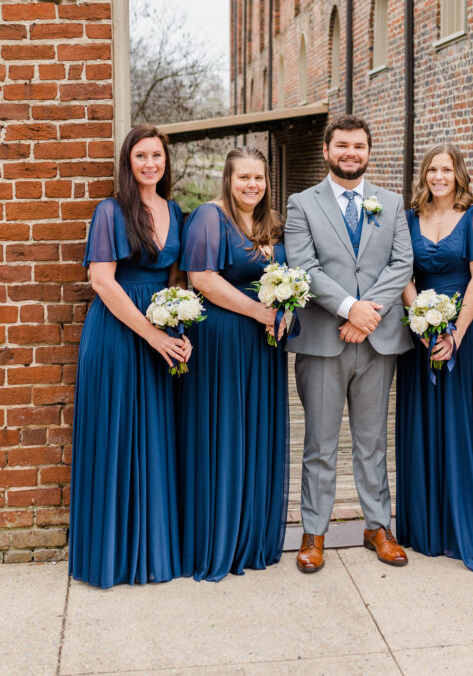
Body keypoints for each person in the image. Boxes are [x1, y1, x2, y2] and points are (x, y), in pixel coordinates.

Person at [285, 115, 414, 573]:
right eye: (342, 145)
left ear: (368, 151)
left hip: (377, 340)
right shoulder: (302, 204)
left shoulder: (391, 203)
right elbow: (304, 266)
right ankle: (313, 532)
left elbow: (402, 263)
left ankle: (377, 526)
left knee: (372, 441)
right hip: (324, 339)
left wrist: (368, 312)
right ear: (327, 150)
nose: (351, 153)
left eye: (359, 146)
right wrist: (346, 308)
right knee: (319, 443)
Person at [69, 125, 192, 588]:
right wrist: (152, 336)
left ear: (165, 161)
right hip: (119, 335)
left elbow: (177, 282)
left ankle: (154, 552)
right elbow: (102, 280)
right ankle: (111, 557)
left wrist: (179, 328)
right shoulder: (111, 211)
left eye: (156, 156)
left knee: (156, 437)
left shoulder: (175, 211)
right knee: (118, 436)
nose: (149, 164)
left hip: (160, 329)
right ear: (128, 161)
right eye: (140, 156)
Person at [178, 146, 289, 580]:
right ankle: (218, 539)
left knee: (255, 431)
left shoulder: (270, 222)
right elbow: (202, 279)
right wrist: (260, 311)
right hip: (223, 340)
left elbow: (288, 277)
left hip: (264, 346)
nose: (251, 185)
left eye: (258, 178)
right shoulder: (209, 217)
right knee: (224, 432)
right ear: (228, 178)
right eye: (243, 177)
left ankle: (251, 536)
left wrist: (288, 309)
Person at [396, 144, 473, 570]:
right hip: (422, 332)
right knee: (425, 421)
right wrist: (421, 320)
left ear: (458, 174)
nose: (438, 177)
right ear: (424, 176)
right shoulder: (410, 219)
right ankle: (429, 526)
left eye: (446, 169)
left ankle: (469, 523)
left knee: (462, 421)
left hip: (467, 330)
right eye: (431, 170)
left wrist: (456, 334)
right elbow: (404, 275)